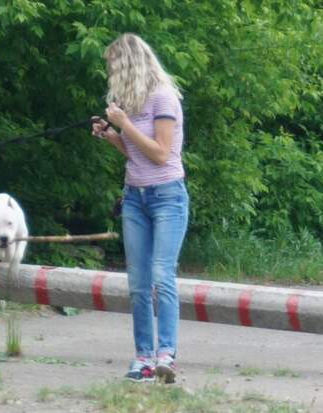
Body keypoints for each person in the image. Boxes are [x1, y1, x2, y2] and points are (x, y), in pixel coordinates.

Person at [92, 33, 189, 383]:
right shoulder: (131, 103)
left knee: (162, 277)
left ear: (128, 65)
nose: (110, 75)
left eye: (113, 67)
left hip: (167, 197)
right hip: (134, 197)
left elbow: (161, 154)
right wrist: (112, 136)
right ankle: (143, 358)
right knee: (138, 283)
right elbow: (137, 153)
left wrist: (125, 125)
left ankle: (167, 355)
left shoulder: (163, 97)